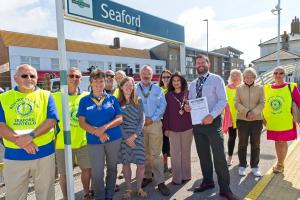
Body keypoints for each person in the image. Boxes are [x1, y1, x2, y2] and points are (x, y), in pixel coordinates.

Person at [0, 64, 58, 200]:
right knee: (14, 195)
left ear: (37, 79)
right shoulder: (3, 98)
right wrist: (21, 142)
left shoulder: (46, 95)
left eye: (32, 76)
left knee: (46, 194)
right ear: (15, 78)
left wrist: (30, 136)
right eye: (24, 75)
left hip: (44, 153)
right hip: (14, 155)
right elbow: (1, 125)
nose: (29, 79)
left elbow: (52, 120)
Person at [185, 55, 239, 200]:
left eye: (203, 62)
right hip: (197, 124)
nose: (200, 65)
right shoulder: (193, 83)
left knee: (219, 156)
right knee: (203, 155)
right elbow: (190, 101)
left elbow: (223, 100)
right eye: (198, 63)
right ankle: (208, 181)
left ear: (208, 64)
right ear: (195, 66)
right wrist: (187, 106)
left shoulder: (216, 79)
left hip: (213, 123)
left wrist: (212, 115)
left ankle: (225, 189)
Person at [77, 69, 123, 200]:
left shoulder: (112, 99)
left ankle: (109, 196)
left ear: (105, 82)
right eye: (95, 81)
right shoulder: (84, 100)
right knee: (97, 173)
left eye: (101, 81)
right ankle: (100, 197)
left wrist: (104, 127)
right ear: (91, 83)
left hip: (113, 139)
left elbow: (120, 118)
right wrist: (97, 133)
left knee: (112, 169)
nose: (98, 83)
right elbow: (82, 122)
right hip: (94, 141)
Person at [53, 67, 92, 199]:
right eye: (71, 76)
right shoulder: (55, 97)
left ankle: (86, 193)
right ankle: (66, 197)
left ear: (81, 79)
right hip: (62, 143)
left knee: (87, 169)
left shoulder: (86, 96)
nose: (74, 78)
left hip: (83, 141)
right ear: (65, 78)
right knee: (64, 174)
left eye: (77, 76)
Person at [136, 65, 170, 196]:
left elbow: (163, 105)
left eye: (148, 73)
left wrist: (153, 118)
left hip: (155, 124)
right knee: (144, 152)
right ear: (140, 74)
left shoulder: (157, 89)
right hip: (140, 125)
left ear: (152, 75)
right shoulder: (134, 88)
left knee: (156, 154)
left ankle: (160, 181)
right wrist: (142, 119)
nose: (146, 75)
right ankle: (147, 176)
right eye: (144, 73)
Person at [262, 66, 300, 174]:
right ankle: (280, 161)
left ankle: (280, 164)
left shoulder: (291, 87)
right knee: (277, 142)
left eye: (281, 73)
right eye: (276, 73)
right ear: (272, 75)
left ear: (284, 75)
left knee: (282, 142)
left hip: (286, 121)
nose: (278, 75)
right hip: (272, 122)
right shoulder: (267, 88)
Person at [117, 77, 147, 199]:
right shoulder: (117, 103)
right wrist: (126, 138)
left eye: (131, 85)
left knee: (141, 164)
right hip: (123, 138)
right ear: (121, 87)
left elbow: (142, 120)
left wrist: (134, 136)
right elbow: (117, 122)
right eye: (126, 85)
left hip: (137, 136)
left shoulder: (138, 101)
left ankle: (139, 188)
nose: (129, 87)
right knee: (126, 164)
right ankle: (129, 189)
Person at [163, 72, 193, 185]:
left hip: (187, 127)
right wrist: (166, 128)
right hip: (173, 129)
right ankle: (176, 178)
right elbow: (165, 114)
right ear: (171, 82)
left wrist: (190, 107)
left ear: (182, 81)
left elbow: (194, 109)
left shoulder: (188, 94)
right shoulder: (168, 95)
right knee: (175, 153)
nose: (176, 83)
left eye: (178, 80)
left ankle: (186, 175)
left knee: (186, 152)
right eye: (174, 81)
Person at [235, 67, 264, 177]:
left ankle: (255, 166)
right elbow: (236, 103)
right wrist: (247, 112)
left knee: (256, 143)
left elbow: (262, 102)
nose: (249, 79)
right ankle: (242, 165)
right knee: (242, 143)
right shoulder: (239, 88)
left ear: (254, 77)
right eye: (246, 77)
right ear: (243, 78)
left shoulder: (260, 88)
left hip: (257, 120)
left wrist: (254, 113)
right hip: (242, 120)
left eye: (251, 77)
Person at [222, 69, 242, 166]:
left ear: (240, 77)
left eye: (237, 75)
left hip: (243, 117)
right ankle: (229, 158)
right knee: (232, 137)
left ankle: (242, 159)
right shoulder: (226, 88)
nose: (235, 77)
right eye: (233, 75)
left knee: (243, 139)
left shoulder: (243, 88)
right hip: (230, 117)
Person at [158, 69, 172, 172]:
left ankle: (174, 165)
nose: (166, 79)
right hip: (161, 120)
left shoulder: (174, 90)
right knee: (164, 144)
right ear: (161, 79)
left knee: (173, 143)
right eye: (164, 77)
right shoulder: (157, 90)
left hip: (172, 120)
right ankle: (165, 164)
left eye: (168, 77)